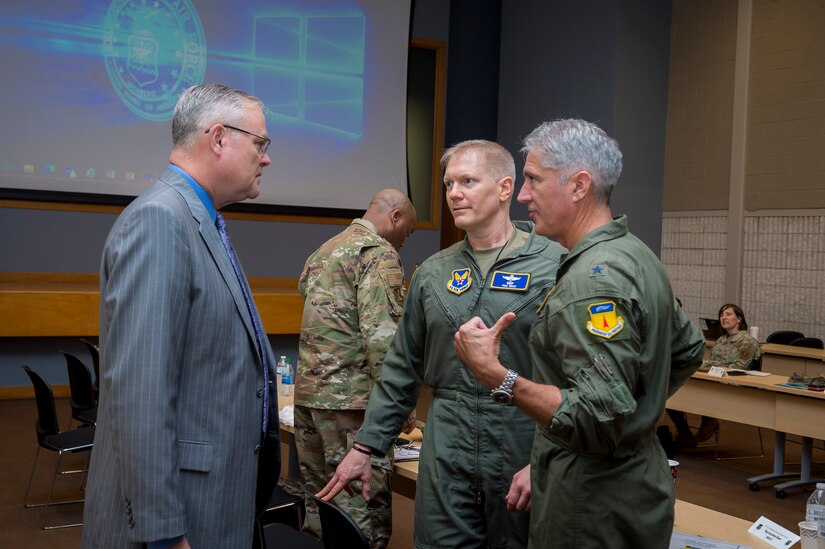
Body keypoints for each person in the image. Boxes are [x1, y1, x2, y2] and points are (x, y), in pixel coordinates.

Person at [454, 119, 706, 548]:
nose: (523, 195)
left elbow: (596, 417)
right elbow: (687, 349)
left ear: (579, 185)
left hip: (591, 502)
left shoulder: (591, 281)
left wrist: (497, 376)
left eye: (533, 179)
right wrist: (639, 414)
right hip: (633, 488)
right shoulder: (634, 254)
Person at [318, 139, 565, 548]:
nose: (454, 193)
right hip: (448, 439)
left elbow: (576, 374)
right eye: (449, 183)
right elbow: (402, 365)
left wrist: (549, 459)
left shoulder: (554, 265)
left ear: (505, 188)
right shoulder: (434, 272)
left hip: (523, 437)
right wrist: (367, 445)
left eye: (468, 181)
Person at [81, 84, 280, 549]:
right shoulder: (161, 220)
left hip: (212, 499)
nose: (266, 158)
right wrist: (164, 531)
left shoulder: (197, 218)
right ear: (218, 138)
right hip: (178, 517)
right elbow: (141, 393)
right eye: (260, 143)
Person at [294, 188, 417, 548]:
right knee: (362, 517)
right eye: (407, 232)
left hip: (309, 399)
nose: (404, 243)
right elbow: (383, 340)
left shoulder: (325, 250)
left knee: (321, 510)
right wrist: (401, 406)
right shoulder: (377, 254)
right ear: (394, 216)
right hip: (351, 408)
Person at [668, 303, 761, 447]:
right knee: (674, 394)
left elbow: (737, 368)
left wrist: (709, 367)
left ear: (739, 319)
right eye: (722, 315)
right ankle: (684, 432)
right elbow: (712, 363)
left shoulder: (747, 341)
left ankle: (708, 422)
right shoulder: (721, 340)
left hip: (732, 389)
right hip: (715, 382)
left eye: (728, 314)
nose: (724, 318)